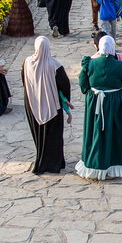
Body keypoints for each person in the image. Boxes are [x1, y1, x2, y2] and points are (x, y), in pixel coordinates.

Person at [76, 35, 122, 180]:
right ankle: (112, 166)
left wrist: (92, 91)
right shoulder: (121, 67)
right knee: (113, 132)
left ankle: (94, 164)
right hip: (114, 104)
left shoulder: (90, 64)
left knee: (95, 132)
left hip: (95, 103)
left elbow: (83, 85)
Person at [22, 36, 73, 174]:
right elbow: (65, 85)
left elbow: (24, 81)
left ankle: (42, 159)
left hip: (33, 104)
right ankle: (54, 163)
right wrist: (65, 100)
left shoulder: (27, 62)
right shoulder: (55, 66)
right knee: (54, 136)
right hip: (52, 106)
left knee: (39, 135)